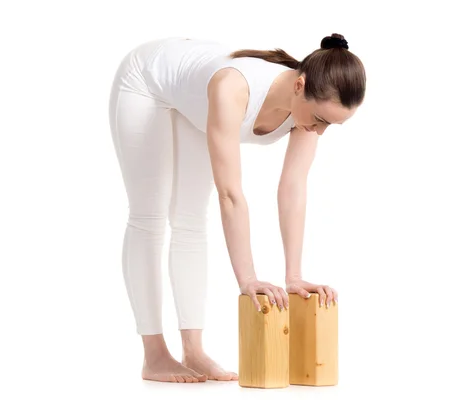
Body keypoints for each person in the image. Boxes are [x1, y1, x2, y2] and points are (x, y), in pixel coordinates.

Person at [108, 33, 366, 384]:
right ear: (299, 85)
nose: (319, 131)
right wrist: (247, 279)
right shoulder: (234, 89)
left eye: (331, 126)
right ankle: (154, 355)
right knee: (148, 216)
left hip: (192, 95)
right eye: (320, 119)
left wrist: (293, 276)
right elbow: (230, 193)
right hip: (147, 80)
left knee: (189, 219)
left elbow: (292, 188)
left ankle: (193, 351)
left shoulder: (310, 107)